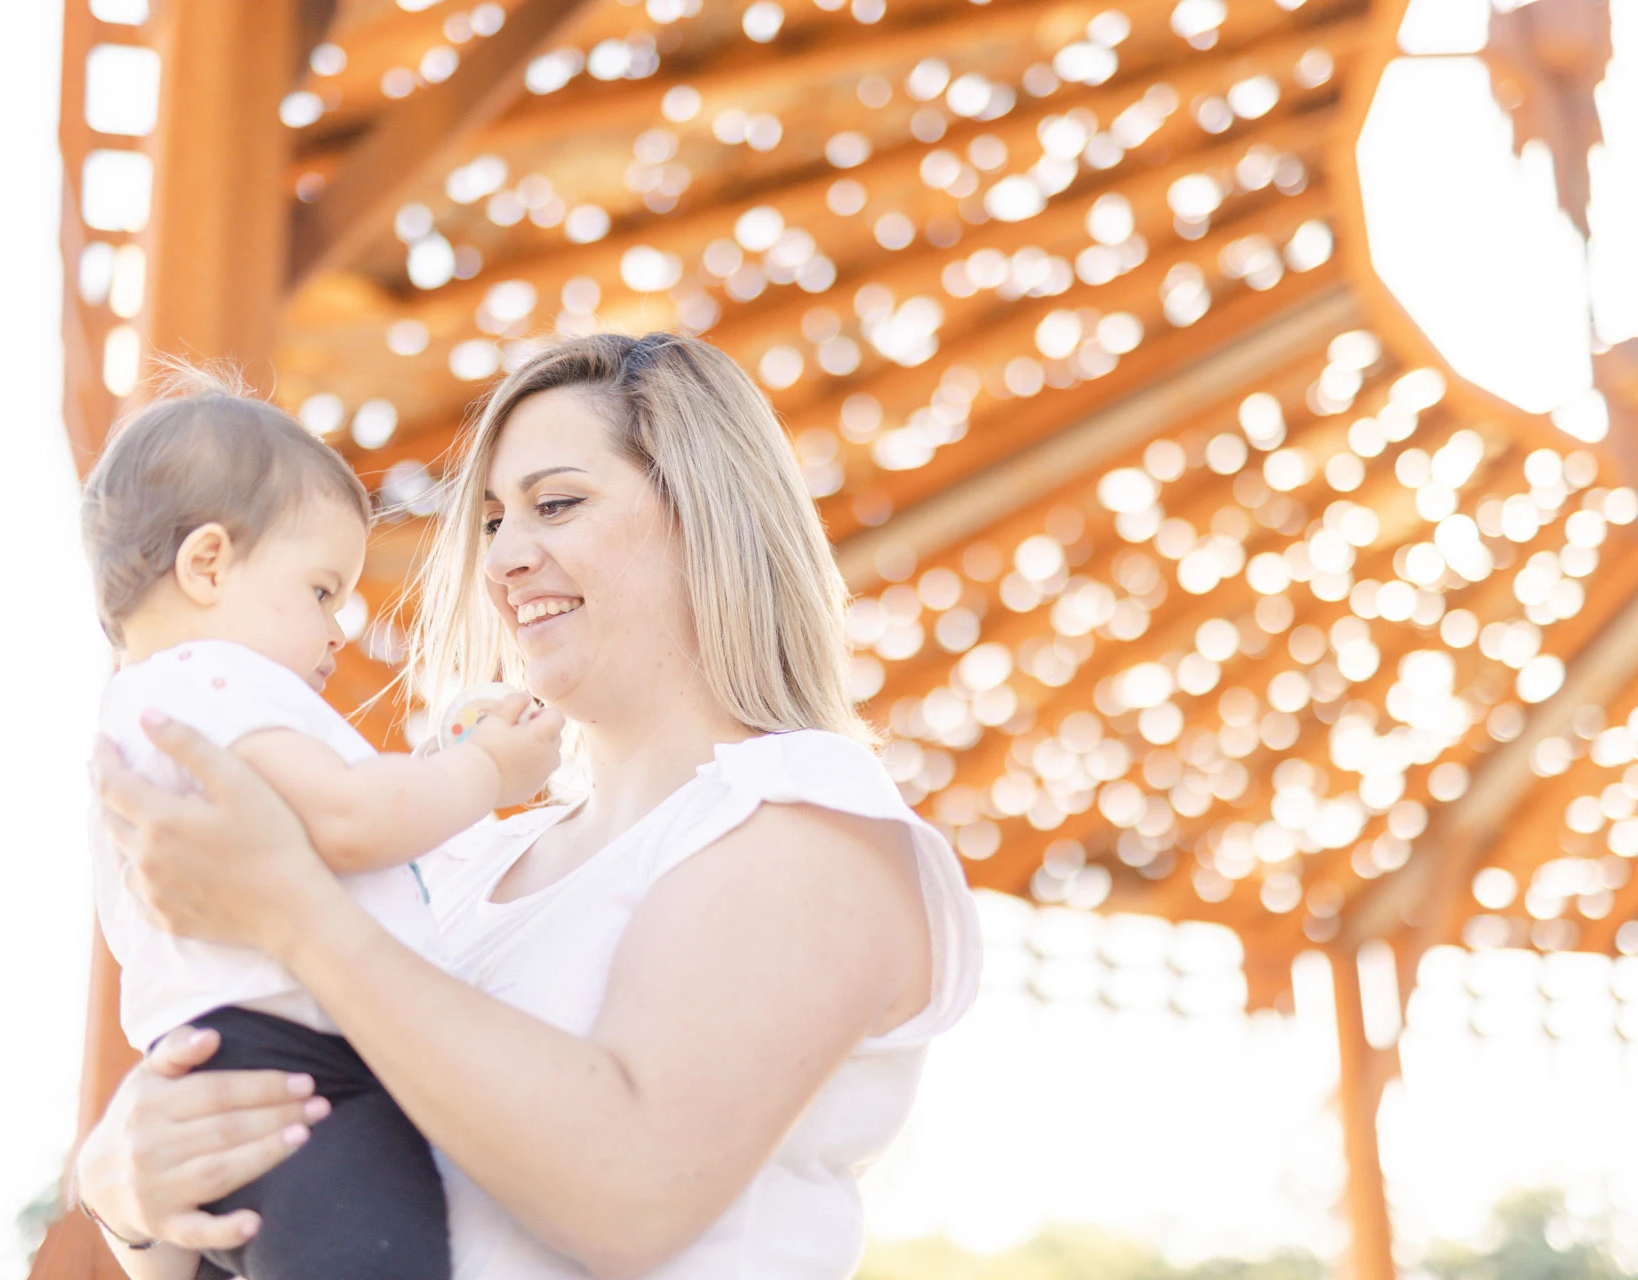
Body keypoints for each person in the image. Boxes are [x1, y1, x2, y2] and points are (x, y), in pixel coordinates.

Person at [77, 332, 983, 1280]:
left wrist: (295, 915)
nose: (505, 557)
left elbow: (634, 1190)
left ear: (707, 514)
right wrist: (129, 1194)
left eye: (556, 505)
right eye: (493, 521)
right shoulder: (457, 873)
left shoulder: (806, 820)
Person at [78, 366, 564, 1279]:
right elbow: (348, 822)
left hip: (238, 1068)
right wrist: (487, 769)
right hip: (304, 1072)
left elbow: (337, 835)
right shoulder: (212, 680)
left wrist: (432, 772)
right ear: (209, 564)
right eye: (319, 592)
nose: (338, 632)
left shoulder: (161, 703)